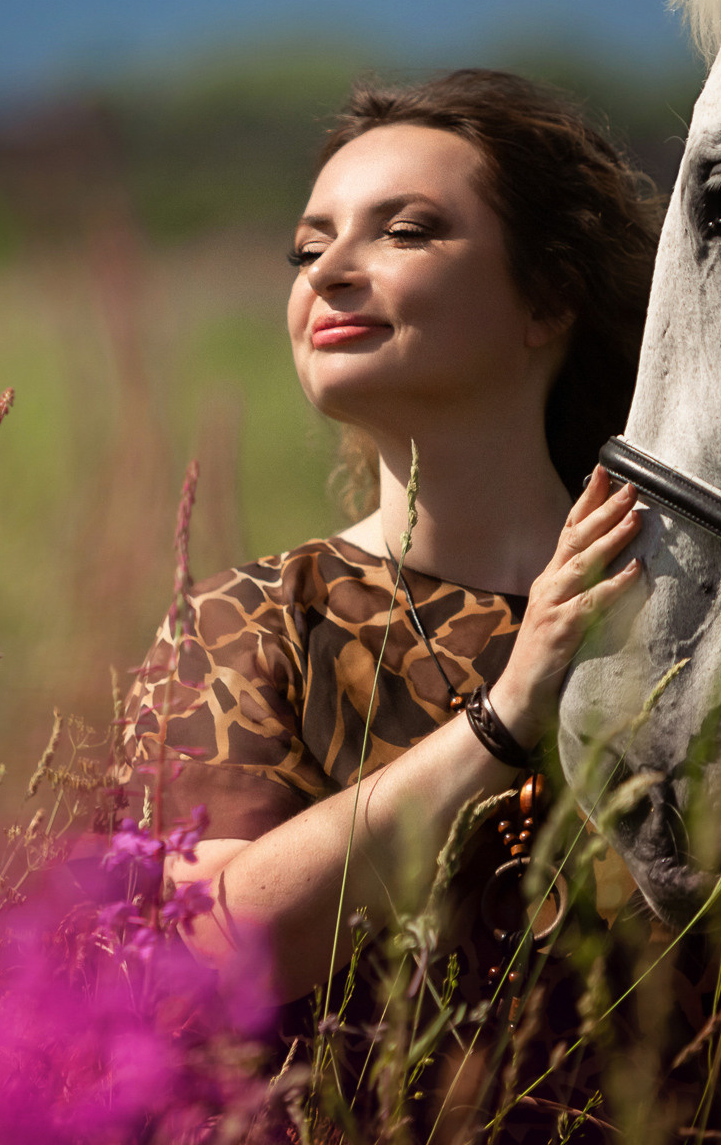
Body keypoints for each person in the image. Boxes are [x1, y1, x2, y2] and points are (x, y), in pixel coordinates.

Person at [121, 67, 661, 1003]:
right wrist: (508, 714)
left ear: (550, 299)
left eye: (405, 231)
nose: (328, 272)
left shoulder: (694, 614)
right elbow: (200, 949)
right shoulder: (249, 623)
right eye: (307, 249)